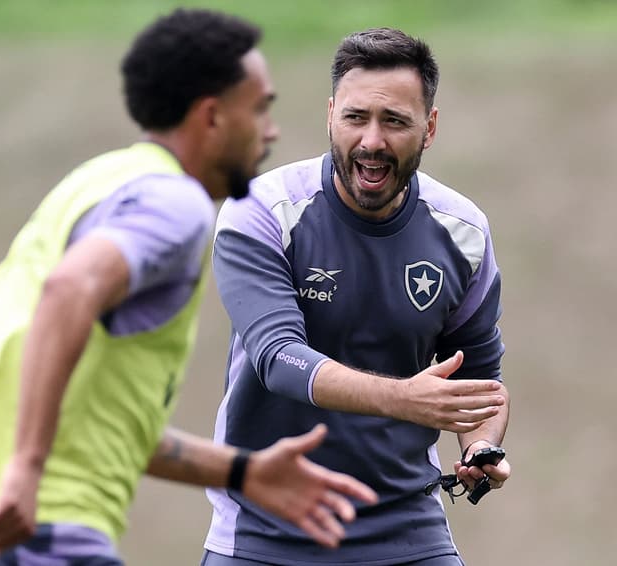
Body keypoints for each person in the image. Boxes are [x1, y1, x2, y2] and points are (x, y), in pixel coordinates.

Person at [0, 9, 380, 566]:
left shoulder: (97, 181)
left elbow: (105, 427)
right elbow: (68, 289)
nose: (271, 130)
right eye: (259, 108)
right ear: (211, 117)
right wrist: (26, 469)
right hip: (42, 531)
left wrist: (241, 471)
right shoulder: (176, 204)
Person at [202, 27, 511, 565]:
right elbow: (279, 359)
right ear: (330, 116)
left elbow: (478, 383)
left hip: (408, 534)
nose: (372, 140)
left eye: (394, 121)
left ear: (429, 127)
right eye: (356, 117)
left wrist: (479, 446)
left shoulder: (463, 232)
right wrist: (406, 400)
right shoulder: (262, 212)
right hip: (266, 534)